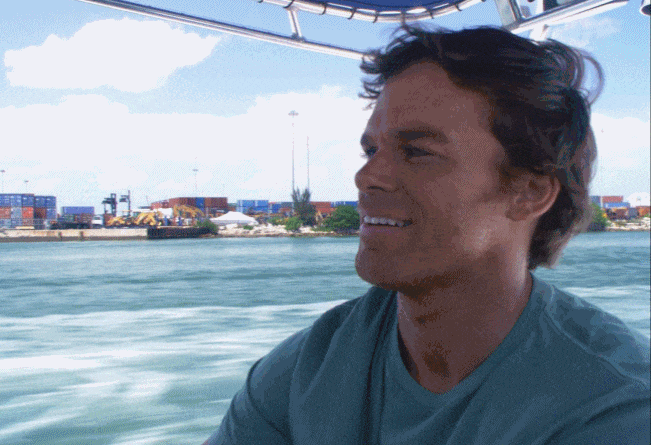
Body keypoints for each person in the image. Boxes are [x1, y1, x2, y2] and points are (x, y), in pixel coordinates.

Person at [205, 25, 650, 444]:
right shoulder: (308, 370)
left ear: (529, 193)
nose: (366, 176)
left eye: (417, 152)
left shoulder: (613, 406)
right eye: (371, 150)